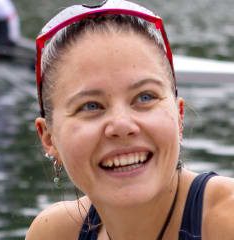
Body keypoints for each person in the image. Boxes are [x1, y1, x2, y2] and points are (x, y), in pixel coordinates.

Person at [25, 0, 234, 239]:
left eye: (145, 97)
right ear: (48, 138)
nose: (122, 126)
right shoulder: (55, 233)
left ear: (179, 116)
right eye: (91, 106)